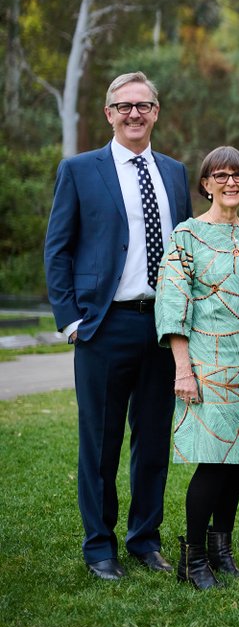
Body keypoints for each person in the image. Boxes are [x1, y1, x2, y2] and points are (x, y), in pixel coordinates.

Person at [44, 71, 193, 581]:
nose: (134, 113)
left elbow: (187, 251)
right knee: (101, 443)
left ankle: (144, 539)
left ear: (156, 112)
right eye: (124, 105)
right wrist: (70, 321)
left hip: (162, 326)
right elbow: (58, 248)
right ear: (109, 113)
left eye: (144, 105)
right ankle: (98, 546)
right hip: (103, 326)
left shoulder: (175, 173)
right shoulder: (80, 170)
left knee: (152, 441)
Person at [155, 147, 239, 590]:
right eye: (220, 175)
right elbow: (173, 304)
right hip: (205, 363)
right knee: (212, 459)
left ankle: (223, 551)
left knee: (235, 457)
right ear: (205, 184)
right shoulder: (186, 235)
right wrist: (182, 369)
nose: (231, 183)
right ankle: (193, 557)